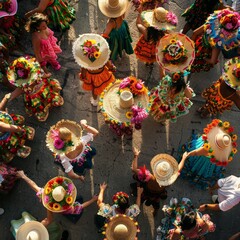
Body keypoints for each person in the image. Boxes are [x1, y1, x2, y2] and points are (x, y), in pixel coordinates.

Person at [18, 172, 98, 226]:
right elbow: (81, 206)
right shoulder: (70, 208)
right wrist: (93, 200)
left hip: (61, 210)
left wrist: (23, 176)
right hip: (67, 211)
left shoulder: (45, 197)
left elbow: (34, 186)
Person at [177, 119, 237, 190]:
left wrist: (186, 155)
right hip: (210, 164)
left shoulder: (207, 149)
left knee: (194, 164)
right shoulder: (225, 149)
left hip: (202, 160)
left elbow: (196, 152)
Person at [5, 56, 64, 122]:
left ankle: (52, 101)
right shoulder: (24, 86)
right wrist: (9, 97)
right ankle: (42, 111)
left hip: (44, 89)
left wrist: (47, 75)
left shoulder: (38, 74)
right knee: (38, 105)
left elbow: (44, 75)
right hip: (35, 97)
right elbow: (16, 92)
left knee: (49, 95)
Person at [72, 33, 116, 106]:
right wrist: (112, 68)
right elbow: (109, 65)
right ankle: (107, 96)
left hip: (92, 77)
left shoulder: (85, 63)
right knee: (106, 85)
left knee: (94, 89)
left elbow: (83, 71)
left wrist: (83, 77)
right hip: (103, 74)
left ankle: (95, 101)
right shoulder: (102, 59)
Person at [25, 13, 62, 77]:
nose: (45, 27)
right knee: (49, 57)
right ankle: (52, 63)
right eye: (43, 26)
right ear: (37, 27)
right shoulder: (36, 37)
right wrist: (43, 65)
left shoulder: (44, 27)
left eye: (45, 25)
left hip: (50, 46)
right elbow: (37, 52)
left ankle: (53, 63)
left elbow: (50, 35)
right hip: (45, 51)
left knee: (53, 57)